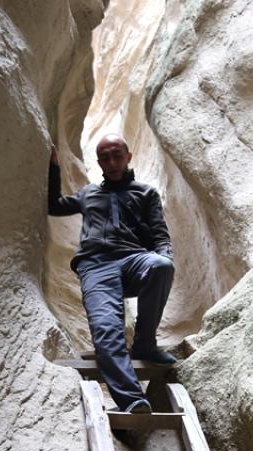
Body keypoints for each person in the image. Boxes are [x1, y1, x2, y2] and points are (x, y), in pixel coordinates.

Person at [48, 133, 177, 414]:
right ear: (99, 162)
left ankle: (144, 345)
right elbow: (55, 205)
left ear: (128, 157)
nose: (112, 162)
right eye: (105, 157)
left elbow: (160, 235)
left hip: (133, 259)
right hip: (96, 266)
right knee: (106, 331)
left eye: (117, 155)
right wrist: (54, 167)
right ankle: (133, 401)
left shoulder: (146, 193)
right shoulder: (88, 193)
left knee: (161, 265)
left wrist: (165, 259)